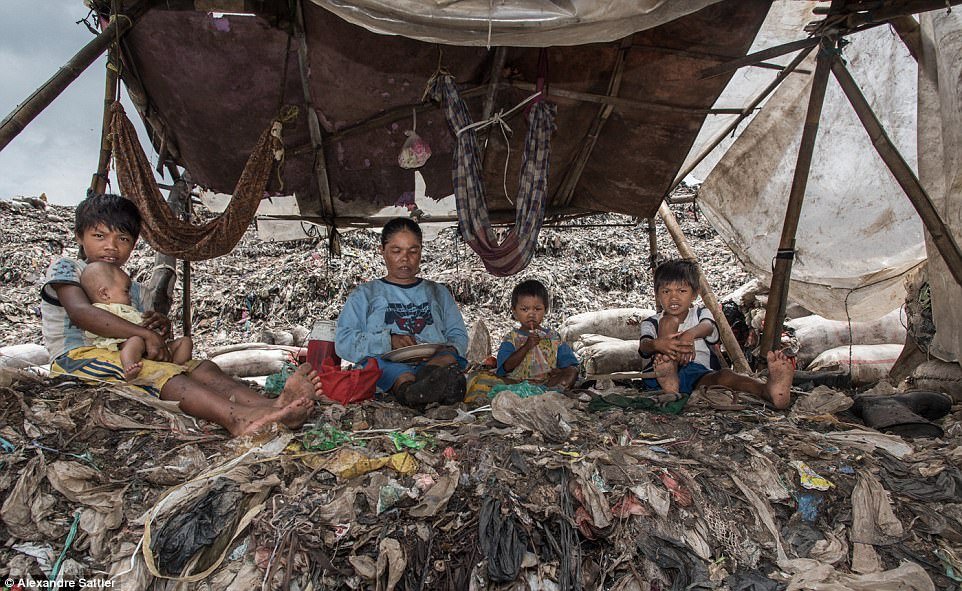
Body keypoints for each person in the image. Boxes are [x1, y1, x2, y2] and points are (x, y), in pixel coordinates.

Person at [42, 193, 322, 436]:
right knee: (163, 374)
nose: (111, 247)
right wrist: (142, 333)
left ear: (135, 242)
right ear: (79, 236)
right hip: (78, 357)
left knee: (202, 367)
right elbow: (81, 312)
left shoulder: (132, 288)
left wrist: (158, 327)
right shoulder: (68, 268)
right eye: (99, 236)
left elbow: (144, 329)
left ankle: (273, 405)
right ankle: (237, 418)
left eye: (123, 239)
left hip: (130, 354)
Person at [335, 217, 469, 407]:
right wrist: (388, 341)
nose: (405, 259)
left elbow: (458, 335)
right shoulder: (365, 294)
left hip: (433, 362)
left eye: (413, 251)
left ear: (421, 251)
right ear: (382, 251)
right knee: (389, 369)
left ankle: (429, 383)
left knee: (447, 359)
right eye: (396, 251)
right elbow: (343, 342)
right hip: (387, 363)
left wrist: (449, 348)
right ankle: (409, 392)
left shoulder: (438, 292)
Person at [638, 259, 794, 409]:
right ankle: (669, 374)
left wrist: (690, 335)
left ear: (694, 294)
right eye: (666, 291)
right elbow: (644, 346)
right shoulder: (651, 322)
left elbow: (708, 327)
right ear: (657, 294)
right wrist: (659, 344)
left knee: (726, 376)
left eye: (681, 290)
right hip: (659, 374)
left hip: (697, 374)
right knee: (668, 321)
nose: (673, 297)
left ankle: (767, 390)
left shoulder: (701, 313)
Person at [79, 261, 193, 380]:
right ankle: (129, 366)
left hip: (151, 347)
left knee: (185, 342)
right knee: (136, 340)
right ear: (104, 294)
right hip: (124, 345)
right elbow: (97, 326)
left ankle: (177, 368)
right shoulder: (103, 310)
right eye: (126, 291)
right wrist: (142, 333)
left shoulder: (131, 309)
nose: (130, 296)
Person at [496, 279, 579, 389]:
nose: (531, 314)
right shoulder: (511, 339)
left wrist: (560, 371)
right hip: (517, 384)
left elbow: (570, 364)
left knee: (572, 372)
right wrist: (526, 347)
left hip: (547, 384)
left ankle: (552, 392)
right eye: (525, 309)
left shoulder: (553, 338)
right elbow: (506, 367)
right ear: (515, 312)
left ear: (545, 310)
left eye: (537, 309)